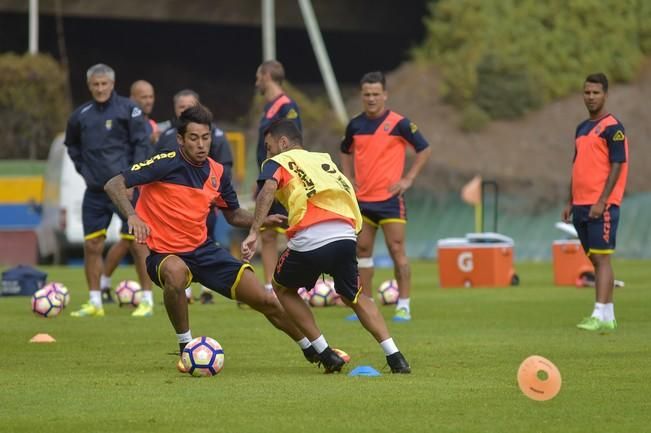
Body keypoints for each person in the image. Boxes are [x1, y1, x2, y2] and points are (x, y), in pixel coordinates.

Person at [104, 105, 322, 370]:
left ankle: (311, 349)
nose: (201, 144)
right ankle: (186, 347)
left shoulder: (217, 172)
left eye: (205, 137)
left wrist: (260, 220)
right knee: (175, 273)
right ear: (181, 139)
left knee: (265, 300)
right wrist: (132, 216)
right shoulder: (164, 162)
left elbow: (232, 214)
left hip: (204, 252)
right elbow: (114, 183)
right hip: (164, 254)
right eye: (193, 138)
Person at [242, 119, 411, 374]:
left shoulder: (278, 162)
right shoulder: (324, 160)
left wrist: (254, 231)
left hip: (312, 239)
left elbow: (267, 189)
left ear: (283, 143)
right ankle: (396, 357)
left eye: (268, 146)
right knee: (355, 296)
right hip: (345, 234)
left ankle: (324, 352)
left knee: (282, 288)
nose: (267, 153)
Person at [340, 71, 432, 322]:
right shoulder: (355, 125)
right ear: (362, 96)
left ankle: (404, 305)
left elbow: (424, 149)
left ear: (385, 95)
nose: (371, 99)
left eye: (376, 94)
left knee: (397, 250)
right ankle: (366, 305)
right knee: (363, 250)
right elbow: (345, 150)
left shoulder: (400, 123)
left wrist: (408, 178)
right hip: (363, 200)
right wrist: (347, 176)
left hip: (390, 200)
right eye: (367, 94)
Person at [64, 63, 153, 317]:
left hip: (125, 190)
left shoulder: (129, 109)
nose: (100, 88)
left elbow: (142, 144)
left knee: (138, 242)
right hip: (94, 191)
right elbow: (71, 145)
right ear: (89, 86)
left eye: (105, 84)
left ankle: (146, 300)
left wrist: (133, 180)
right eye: (96, 84)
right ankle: (95, 302)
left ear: (112, 85)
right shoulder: (80, 115)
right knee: (92, 245)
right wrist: (84, 170)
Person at [562, 72, 629, 332]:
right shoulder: (581, 128)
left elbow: (617, 165)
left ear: (605, 94)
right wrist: (569, 201)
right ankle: (609, 315)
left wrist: (603, 200)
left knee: (601, 258)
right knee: (597, 260)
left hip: (601, 204)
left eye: (596, 93)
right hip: (580, 205)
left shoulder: (613, 127)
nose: (590, 97)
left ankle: (598, 313)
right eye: (587, 92)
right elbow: (576, 165)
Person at [156, 89, 234, 304]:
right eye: (181, 107)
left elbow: (224, 169)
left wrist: (215, 196)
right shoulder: (167, 136)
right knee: (177, 248)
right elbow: (154, 168)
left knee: (206, 244)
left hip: (204, 205)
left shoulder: (214, 135)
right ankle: (184, 291)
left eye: (189, 107)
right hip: (173, 210)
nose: (185, 110)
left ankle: (207, 290)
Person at [100, 79, 159, 303]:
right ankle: (145, 296)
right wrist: (129, 183)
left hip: (147, 191)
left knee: (131, 240)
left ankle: (105, 283)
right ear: (132, 99)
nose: (148, 101)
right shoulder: (126, 124)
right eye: (143, 97)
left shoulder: (151, 126)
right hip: (129, 189)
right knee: (134, 240)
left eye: (151, 96)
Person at [254, 60, 302, 293]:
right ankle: (271, 287)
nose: (256, 82)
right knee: (268, 233)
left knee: (296, 230)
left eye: (258, 77)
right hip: (268, 178)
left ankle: (301, 283)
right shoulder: (268, 107)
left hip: (283, 180)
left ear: (267, 76)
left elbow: (293, 143)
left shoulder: (287, 106)